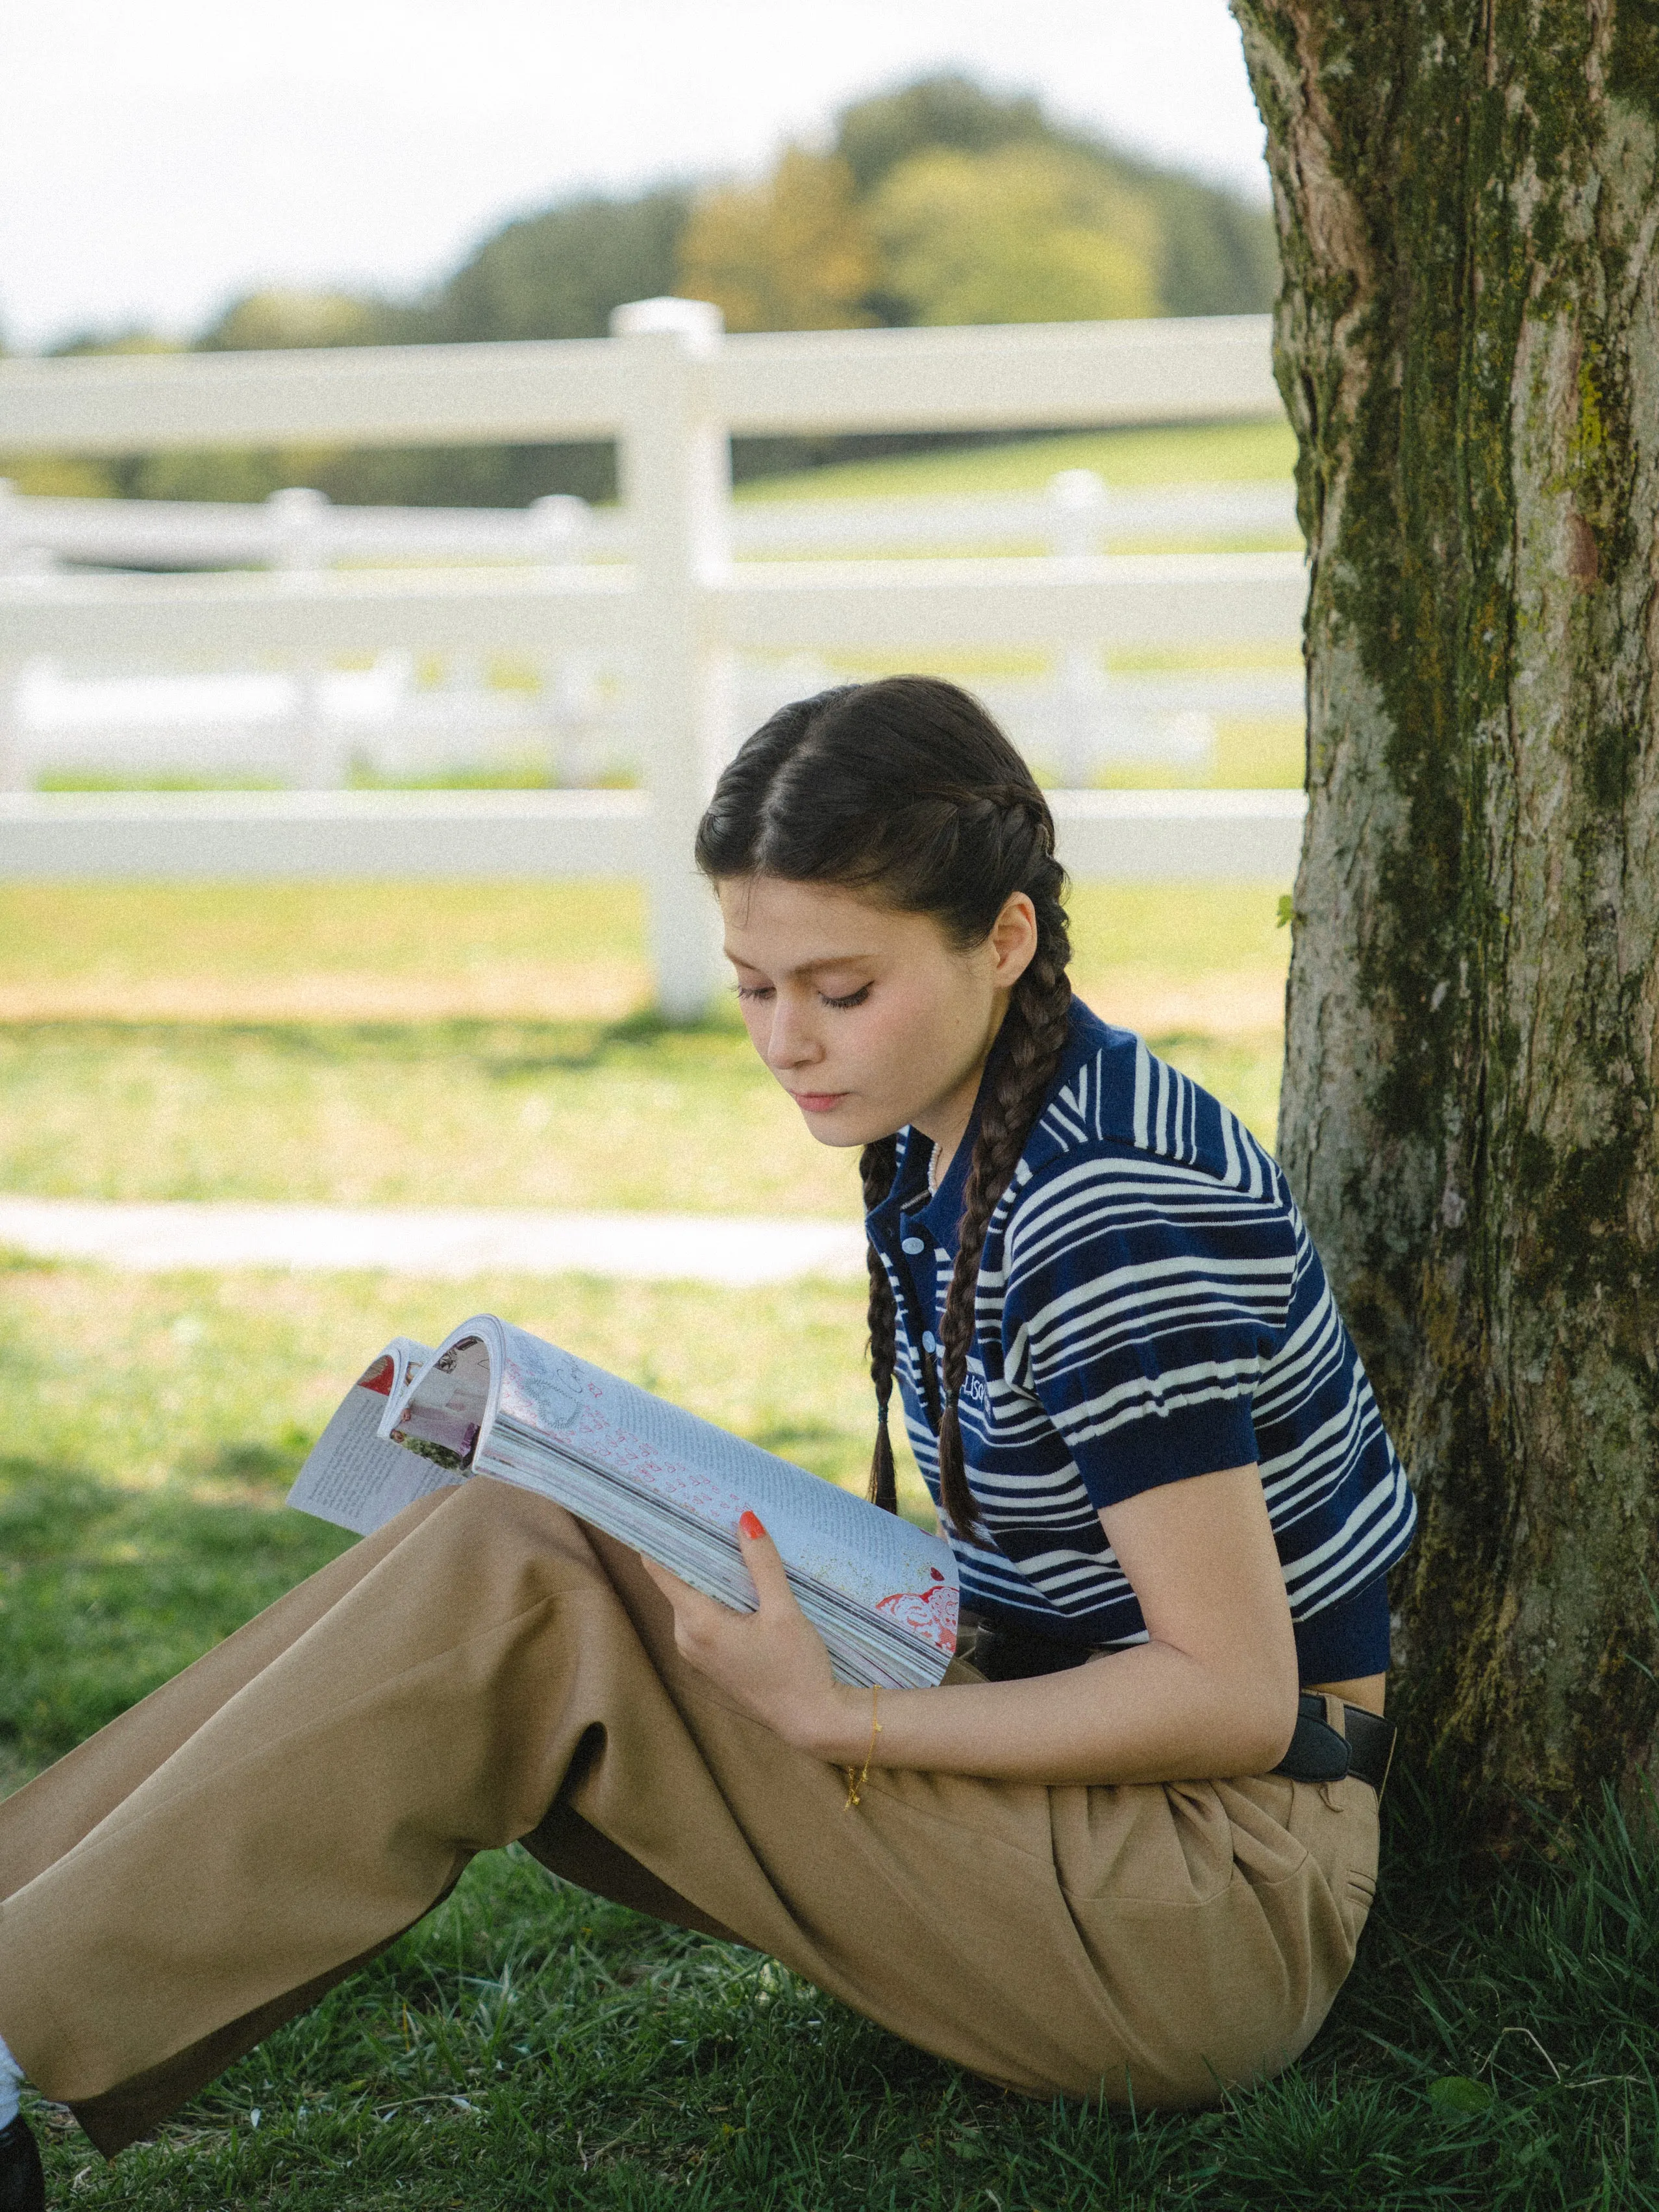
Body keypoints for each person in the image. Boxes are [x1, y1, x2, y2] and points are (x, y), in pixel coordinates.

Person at [0, 677, 1415, 2207]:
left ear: (1001, 938)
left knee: (523, 1587)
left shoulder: (1102, 1212)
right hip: (1091, 1780)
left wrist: (846, 1720)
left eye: (837, 989)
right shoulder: (973, 1110)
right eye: (753, 987)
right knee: (514, 1524)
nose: (785, 1041)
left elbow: (1230, 1692)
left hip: (1215, 1898)